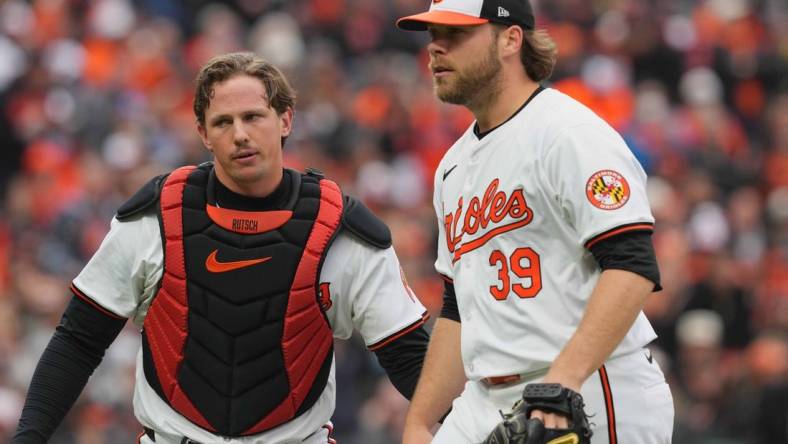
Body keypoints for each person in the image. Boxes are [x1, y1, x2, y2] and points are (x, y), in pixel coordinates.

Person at [13, 52, 430, 444]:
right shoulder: (156, 217)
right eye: (223, 122)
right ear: (203, 133)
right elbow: (78, 340)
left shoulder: (338, 227)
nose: (241, 134)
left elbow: (407, 353)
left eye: (253, 116)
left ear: (286, 119)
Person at [396, 1, 674, 443]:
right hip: (484, 396)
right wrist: (420, 419)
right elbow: (458, 306)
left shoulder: (568, 133)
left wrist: (563, 381)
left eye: (455, 34)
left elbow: (632, 265)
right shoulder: (451, 167)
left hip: (589, 384)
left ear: (511, 38)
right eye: (433, 36)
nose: (436, 49)